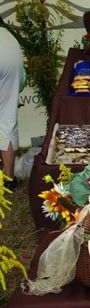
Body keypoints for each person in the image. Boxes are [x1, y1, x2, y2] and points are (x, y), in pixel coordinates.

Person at [0, 17, 25, 191]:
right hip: (10, 58)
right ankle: (9, 179)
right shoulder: (8, 35)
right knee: (7, 120)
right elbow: (22, 79)